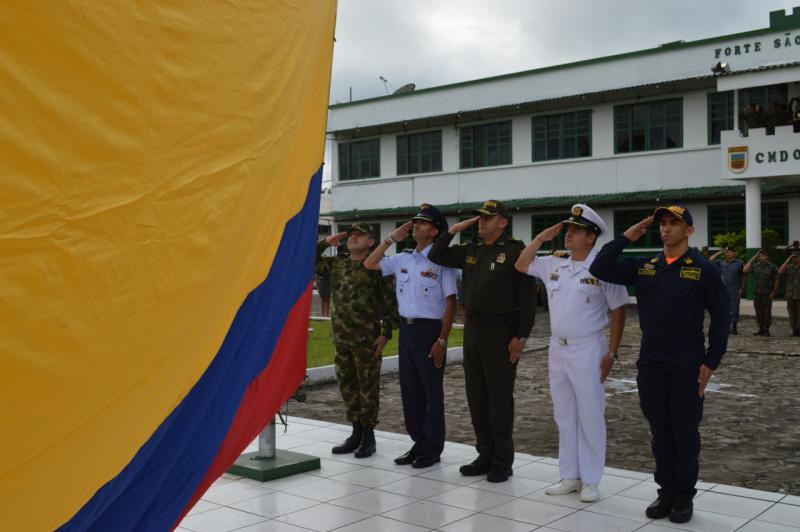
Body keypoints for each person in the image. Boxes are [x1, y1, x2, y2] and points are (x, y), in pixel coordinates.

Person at [589, 205, 730, 524]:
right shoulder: (647, 266)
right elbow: (601, 266)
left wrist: (711, 361)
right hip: (651, 363)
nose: (665, 229)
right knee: (660, 431)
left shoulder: (703, 268)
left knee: (684, 432)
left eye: (674, 223)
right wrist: (626, 236)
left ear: (689, 231)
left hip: (687, 364)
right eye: (662, 223)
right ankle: (665, 492)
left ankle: (683, 497)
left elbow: (722, 315)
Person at [515, 204, 627, 502]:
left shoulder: (603, 267)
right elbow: (521, 265)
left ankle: (591, 479)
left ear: (591, 237)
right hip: (557, 348)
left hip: (589, 348)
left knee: (590, 414)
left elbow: (619, 309)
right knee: (564, 414)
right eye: (568, 229)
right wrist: (540, 239)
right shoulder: (555, 262)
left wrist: (612, 352)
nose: (569, 234)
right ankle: (570, 475)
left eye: (576, 230)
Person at [429, 199, 536, 483]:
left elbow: (528, 299)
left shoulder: (515, 251)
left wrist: (521, 336)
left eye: (487, 218)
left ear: (502, 222)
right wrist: (453, 230)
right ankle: (484, 454)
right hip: (473, 330)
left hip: (501, 333)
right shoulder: (471, 249)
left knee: (499, 398)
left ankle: (502, 460)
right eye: (479, 218)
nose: (481, 222)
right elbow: (436, 255)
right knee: (476, 396)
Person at [363, 205, 458, 468]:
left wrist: (442, 340)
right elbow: (370, 263)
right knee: (410, 391)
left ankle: (433, 448)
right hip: (407, 330)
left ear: (435, 230)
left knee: (431, 393)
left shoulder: (442, 261)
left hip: (429, 332)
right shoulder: (403, 258)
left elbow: (451, 303)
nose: (415, 225)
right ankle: (418, 442)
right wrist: (392, 237)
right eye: (414, 222)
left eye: (422, 223)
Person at [315, 222, 399, 458]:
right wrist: (325, 242)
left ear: (371, 241)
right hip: (341, 338)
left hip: (367, 339)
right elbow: (308, 260)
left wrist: (386, 332)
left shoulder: (377, 266)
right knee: (348, 386)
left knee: (367, 388)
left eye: (360, 235)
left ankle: (369, 436)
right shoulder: (337, 264)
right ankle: (356, 433)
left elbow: (390, 302)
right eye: (351, 235)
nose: (353, 238)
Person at [709, 247, 745, 335]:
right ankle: (727, 327)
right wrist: (719, 252)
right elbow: (710, 260)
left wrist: (742, 288)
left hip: (734, 289)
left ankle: (734, 327)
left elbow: (745, 275)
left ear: (734, 253)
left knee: (735, 308)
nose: (728, 253)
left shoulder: (739, 263)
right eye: (727, 252)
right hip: (723, 289)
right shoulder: (721, 262)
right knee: (725, 309)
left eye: (730, 252)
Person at [743, 249, 779, 336]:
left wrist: (774, 291)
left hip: (767, 293)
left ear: (766, 257)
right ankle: (760, 329)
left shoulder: (772, 266)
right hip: (757, 292)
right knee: (758, 312)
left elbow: (777, 278)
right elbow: (745, 270)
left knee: (767, 312)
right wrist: (753, 257)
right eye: (759, 256)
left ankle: (767, 329)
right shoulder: (755, 266)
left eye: (762, 256)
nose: (761, 257)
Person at [778, 250, 800, 336]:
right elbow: (780, 271)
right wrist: (787, 260)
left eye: (796, 257)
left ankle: (799, 330)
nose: (794, 259)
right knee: (792, 312)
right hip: (790, 294)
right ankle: (794, 330)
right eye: (793, 257)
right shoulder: (790, 266)